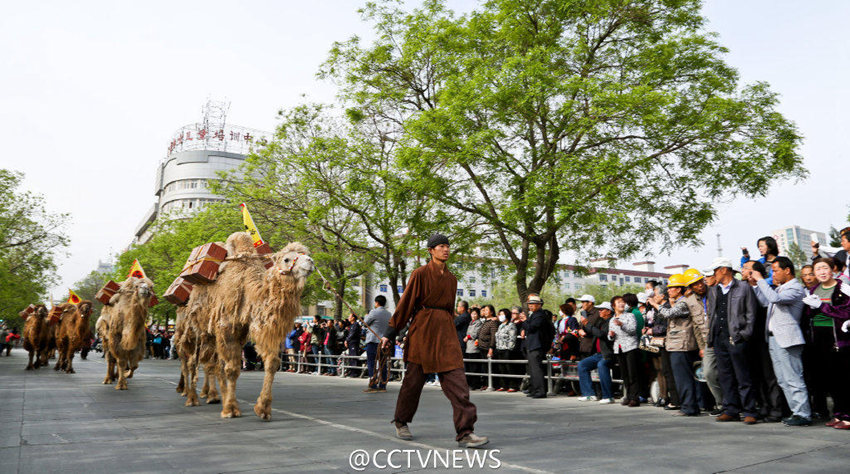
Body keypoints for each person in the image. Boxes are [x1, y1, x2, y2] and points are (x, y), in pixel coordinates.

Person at [381, 233, 487, 448]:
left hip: (445, 333)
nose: (445, 249)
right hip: (423, 331)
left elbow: (449, 309)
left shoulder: (451, 279)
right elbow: (406, 304)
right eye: (440, 246)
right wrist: (389, 333)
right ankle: (401, 421)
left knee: (458, 383)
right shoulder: (419, 274)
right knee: (412, 383)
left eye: (447, 246)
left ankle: (465, 432)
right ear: (430, 250)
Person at [750, 256, 811, 426]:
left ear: (787, 270)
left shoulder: (795, 288)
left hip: (788, 339)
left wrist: (761, 279)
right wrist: (757, 285)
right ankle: (795, 412)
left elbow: (775, 300)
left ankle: (803, 414)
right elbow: (766, 300)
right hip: (774, 339)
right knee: (783, 380)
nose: (773, 274)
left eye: (776, 270)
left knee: (793, 378)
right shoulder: (779, 289)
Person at [706, 257, 759, 424]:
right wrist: (712, 337)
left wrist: (745, 334)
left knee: (743, 375)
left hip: (737, 337)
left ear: (724, 270)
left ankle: (750, 410)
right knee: (725, 375)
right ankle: (731, 409)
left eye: (715, 271)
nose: (713, 274)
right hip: (719, 338)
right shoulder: (714, 290)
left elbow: (751, 313)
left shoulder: (743, 287)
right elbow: (712, 314)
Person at [801, 257, 850, 429]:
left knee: (844, 377)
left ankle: (848, 416)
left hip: (838, 337)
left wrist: (821, 307)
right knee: (830, 378)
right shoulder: (815, 289)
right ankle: (838, 414)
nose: (821, 272)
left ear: (832, 269)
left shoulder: (841, 288)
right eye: (818, 269)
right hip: (819, 336)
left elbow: (845, 313)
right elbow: (810, 314)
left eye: (824, 268)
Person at [649, 274, 703, 416]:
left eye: (672, 288)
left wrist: (656, 305)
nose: (669, 290)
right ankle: (690, 405)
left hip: (682, 345)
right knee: (682, 377)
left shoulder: (683, 303)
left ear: (679, 289)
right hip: (676, 344)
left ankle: (689, 407)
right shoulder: (679, 302)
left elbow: (668, 313)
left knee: (683, 377)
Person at [742, 261, 785, 423]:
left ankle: (776, 408)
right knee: (755, 375)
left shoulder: (766, 290)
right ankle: (763, 406)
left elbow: (766, 304)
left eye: (748, 269)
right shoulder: (741, 289)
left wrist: (760, 282)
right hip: (748, 339)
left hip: (764, 338)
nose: (744, 271)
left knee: (769, 375)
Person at [577, 300, 614, 404]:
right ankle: (588, 394)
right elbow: (592, 330)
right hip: (598, 353)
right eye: (599, 309)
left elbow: (602, 334)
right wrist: (582, 327)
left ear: (609, 311)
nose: (599, 311)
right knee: (582, 365)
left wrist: (587, 324)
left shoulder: (611, 321)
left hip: (608, 353)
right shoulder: (601, 321)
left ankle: (608, 396)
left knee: (602, 365)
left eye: (602, 309)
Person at [608, 296, 640, 407]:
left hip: (630, 346)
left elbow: (632, 330)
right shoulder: (612, 320)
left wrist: (622, 325)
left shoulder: (630, 316)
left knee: (632, 373)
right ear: (613, 306)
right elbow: (610, 336)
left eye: (622, 302)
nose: (622, 304)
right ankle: (628, 395)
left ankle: (635, 398)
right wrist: (611, 336)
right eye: (618, 302)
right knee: (625, 374)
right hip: (619, 348)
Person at [524, 294, 553, 399]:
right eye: (529, 304)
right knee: (532, 369)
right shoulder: (534, 314)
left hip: (537, 345)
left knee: (537, 369)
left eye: (533, 304)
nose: (530, 306)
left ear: (539, 305)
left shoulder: (540, 315)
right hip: (532, 345)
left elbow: (531, 327)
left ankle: (540, 391)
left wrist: (524, 321)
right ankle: (534, 389)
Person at [363, 295, 392, 392]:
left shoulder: (373, 312)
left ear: (376, 303)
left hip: (373, 340)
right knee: (383, 363)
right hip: (384, 341)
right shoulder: (389, 314)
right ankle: (382, 385)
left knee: (372, 362)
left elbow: (365, 323)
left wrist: (366, 316)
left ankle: (373, 383)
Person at [494, 308, 518, 392]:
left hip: (507, 350)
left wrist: (509, 349)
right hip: (499, 348)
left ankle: (513, 385)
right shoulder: (500, 325)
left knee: (509, 368)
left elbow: (512, 338)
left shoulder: (511, 325)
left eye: (502, 314)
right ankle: (503, 385)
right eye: (499, 314)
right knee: (501, 368)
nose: (500, 316)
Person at [476, 305, 499, 391]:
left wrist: (491, 348)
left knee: (490, 367)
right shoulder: (485, 321)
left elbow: (493, 336)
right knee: (484, 367)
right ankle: (485, 383)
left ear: (491, 312)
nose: (485, 312)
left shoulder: (493, 322)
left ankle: (491, 384)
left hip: (487, 347)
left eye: (486, 310)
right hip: (481, 347)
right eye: (484, 310)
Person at [464, 307, 483, 390]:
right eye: (472, 314)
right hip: (469, 346)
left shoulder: (479, 323)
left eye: (475, 314)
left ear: (478, 315)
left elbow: (474, 334)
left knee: (475, 367)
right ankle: (470, 383)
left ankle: (476, 384)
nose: (473, 315)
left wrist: (467, 337)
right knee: (469, 366)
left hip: (474, 347)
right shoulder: (471, 322)